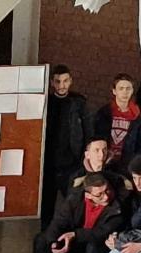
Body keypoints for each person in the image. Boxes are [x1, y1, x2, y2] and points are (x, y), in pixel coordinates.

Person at [40, 65, 89, 227]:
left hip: (72, 163)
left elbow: (88, 131)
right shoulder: (46, 102)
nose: (62, 85)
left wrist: (83, 159)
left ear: (71, 81)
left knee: (73, 204)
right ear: (52, 83)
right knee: (46, 206)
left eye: (65, 81)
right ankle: (46, 235)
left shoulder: (79, 103)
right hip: (49, 163)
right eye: (58, 81)